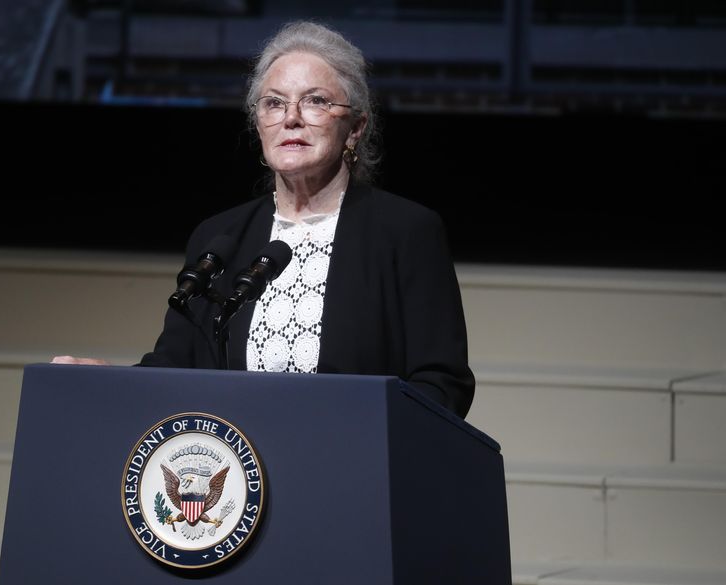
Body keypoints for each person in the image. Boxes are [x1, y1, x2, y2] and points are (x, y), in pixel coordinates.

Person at [53, 20, 475, 418]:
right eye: (274, 103)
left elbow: (441, 384)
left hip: (354, 474)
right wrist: (103, 378)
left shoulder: (405, 232)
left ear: (355, 127)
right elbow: (174, 367)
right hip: (240, 481)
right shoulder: (221, 237)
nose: (291, 117)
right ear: (259, 123)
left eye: (315, 101)